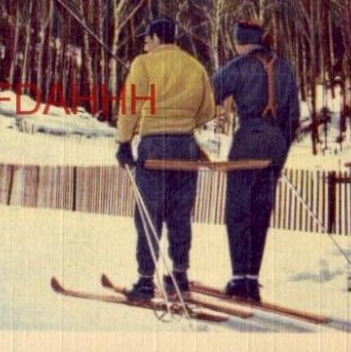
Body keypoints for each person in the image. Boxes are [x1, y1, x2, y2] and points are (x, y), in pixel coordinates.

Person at [115, 17, 216, 301]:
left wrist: (123, 142)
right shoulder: (195, 66)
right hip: (186, 147)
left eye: (147, 37)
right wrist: (184, 121)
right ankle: (180, 276)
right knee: (180, 214)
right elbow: (208, 110)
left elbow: (130, 105)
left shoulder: (143, 64)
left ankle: (146, 281)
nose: (144, 42)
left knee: (149, 214)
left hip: (154, 147)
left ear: (158, 37)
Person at [211, 20, 300, 301]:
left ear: (240, 42)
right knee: (261, 212)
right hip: (275, 146)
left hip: (248, 142)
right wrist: (280, 152)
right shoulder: (286, 68)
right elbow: (293, 118)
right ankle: (252, 278)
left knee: (239, 211)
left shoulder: (238, 66)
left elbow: (208, 93)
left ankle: (240, 279)